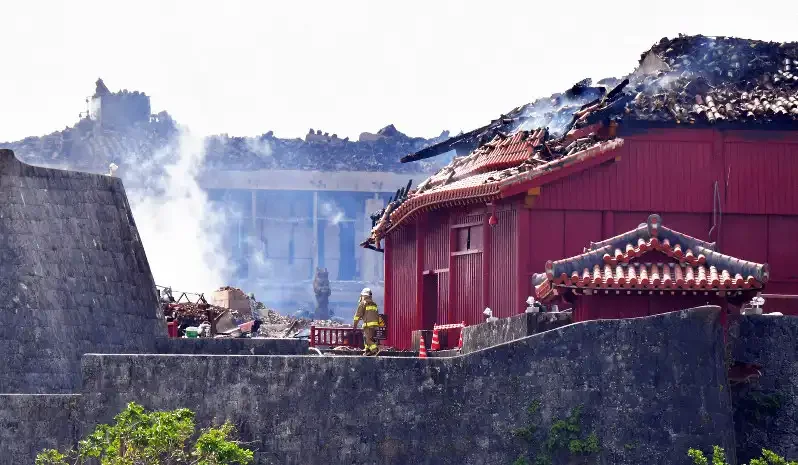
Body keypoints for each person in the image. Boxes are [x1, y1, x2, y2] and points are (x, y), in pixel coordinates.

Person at [352, 288, 380, 356]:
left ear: (363, 296)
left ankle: (375, 350)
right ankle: (368, 351)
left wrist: (354, 326)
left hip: (368, 325)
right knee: (367, 338)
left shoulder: (363, 303)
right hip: (375, 325)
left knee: (368, 340)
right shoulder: (374, 304)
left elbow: (357, 316)